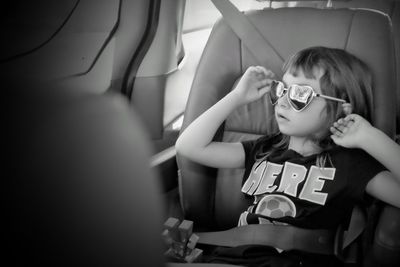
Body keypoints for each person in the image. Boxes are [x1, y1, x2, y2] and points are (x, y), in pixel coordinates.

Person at [175, 46, 400, 266]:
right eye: (281, 89)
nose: (282, 100)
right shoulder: (264, 149)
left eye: (300, 94)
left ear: (342, 108)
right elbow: (189, 146)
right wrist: (237, 97)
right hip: (230, 256)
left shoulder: (350, 165)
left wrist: (370, 137)